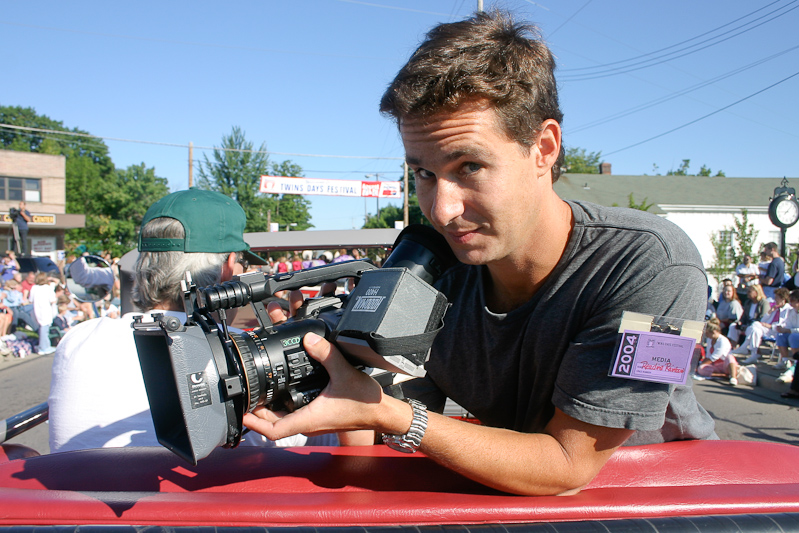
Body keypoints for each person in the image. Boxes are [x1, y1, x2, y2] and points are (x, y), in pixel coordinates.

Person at [242, 11, 715, 496]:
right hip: (516, 505)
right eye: (423, 174)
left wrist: (395, 415)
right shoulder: (439, 274)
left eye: (469, 166)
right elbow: (373, 437)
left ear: (543, 148)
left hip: (669, 505)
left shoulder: (660, 262)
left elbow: (570, 466)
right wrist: (340, 386)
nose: (443, 211)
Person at [48, 189, 337, 453]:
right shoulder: (238, 353)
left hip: (75, 508)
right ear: (227, 270)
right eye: (243, 265)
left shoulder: (77, 340)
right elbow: (329, 445)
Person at [732, 287, 791, 364]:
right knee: (755, 328)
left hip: (777, 331)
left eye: (777, 297)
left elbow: (784, 324)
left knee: (754, 325)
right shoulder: (775, 308)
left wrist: (770, 326)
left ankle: (747, 349)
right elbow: (763, 321)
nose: (775, 299)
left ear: (783, 298)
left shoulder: (788, 309)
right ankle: (753, 353)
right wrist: (770, 312)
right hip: (768, 329)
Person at [694, 319, 739, 386]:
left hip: (725, 364)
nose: (706, 335)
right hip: (715, 365)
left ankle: (733, 377)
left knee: (730, 357)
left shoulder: (723, 340)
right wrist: (700, 366)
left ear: (713, 332)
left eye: (707, 333)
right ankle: (722, 375)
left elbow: (715, 356)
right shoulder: (710, 340)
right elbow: (708, 355)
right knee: (701, 369)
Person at [28, 271, 57, 355]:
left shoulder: (34, 288)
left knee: (43, 328)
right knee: (44, 329)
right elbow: (53, 300)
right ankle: (43, 347)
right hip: (46, 310)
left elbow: (30, 300)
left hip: (37, 310)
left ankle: (46, 345)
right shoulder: (47, 288)